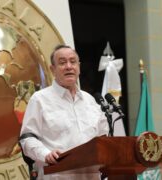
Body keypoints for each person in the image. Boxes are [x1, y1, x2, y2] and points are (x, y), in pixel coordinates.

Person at [19, 44, 109, 179]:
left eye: (73, 62)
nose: (68, 66)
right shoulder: (40, 99)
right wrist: (45, 154)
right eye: (62, 63)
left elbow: (103, 140)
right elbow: (27, 138)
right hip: (58, 175)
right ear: (52, 69)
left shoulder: (90, 101)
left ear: (78, 67)